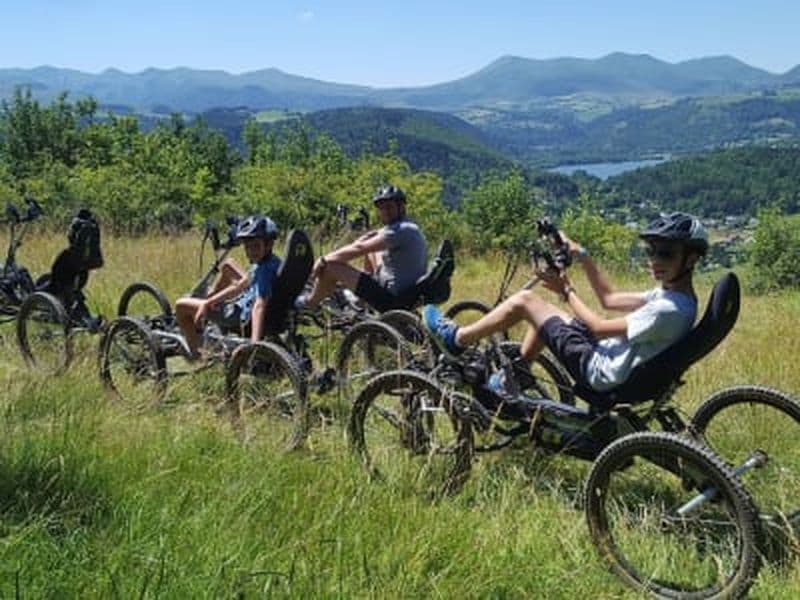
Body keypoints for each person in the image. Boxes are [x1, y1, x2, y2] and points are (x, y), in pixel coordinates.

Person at [424, 212, 709, 396]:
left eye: (666, 253)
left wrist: (566, 289)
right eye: (651, 251)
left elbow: (597, 327)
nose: (655, 260)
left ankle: (456, 339)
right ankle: (518, 375)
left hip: (598, 368)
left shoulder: (667, 310)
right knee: (546, 315)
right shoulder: (673, 298)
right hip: (610, 357)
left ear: (692, 259)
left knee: (526, 300)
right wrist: (582, 255)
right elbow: (608, 299)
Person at [295, 185, 428, 313]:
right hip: (403, 294)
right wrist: (362, 240)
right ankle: (360, 300)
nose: (385, 212)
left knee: (330, 266)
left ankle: (310, 304)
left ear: (402, 207)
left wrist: (324, 259)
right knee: (373, 251)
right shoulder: (408, 226)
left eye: (389, 207)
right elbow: (368, 241)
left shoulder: (401, 229)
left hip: (390, 299)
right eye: (381, 208)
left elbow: (360, 248)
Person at [175, 214, 281, 359]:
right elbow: (240, 286)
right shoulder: (272, 263)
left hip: (238, 315)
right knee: (228, 266)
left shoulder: (263, 271)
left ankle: (196, 355)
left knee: (181, 305)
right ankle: (206, 312)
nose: (251, 251)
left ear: (268, 245)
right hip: (244, 307)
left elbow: (259, 306)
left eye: (256, 246)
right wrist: (208, 302)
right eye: (248, 247)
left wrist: (254, 343)